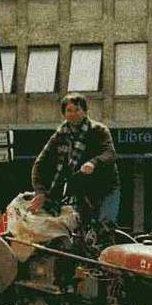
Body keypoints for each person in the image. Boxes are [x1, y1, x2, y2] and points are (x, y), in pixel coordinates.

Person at [29, 93, 120, 226]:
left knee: (105, 225)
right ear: (64, 113)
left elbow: (110, 153)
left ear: (84, 111)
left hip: (105, 187)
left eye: (77, 110)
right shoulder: (60, 136)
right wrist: (40, 191)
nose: (73, 114)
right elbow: (40, 163)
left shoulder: (98, 130)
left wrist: (93, 163)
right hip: (80, 189)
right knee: (79, 227)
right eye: (69, 110)